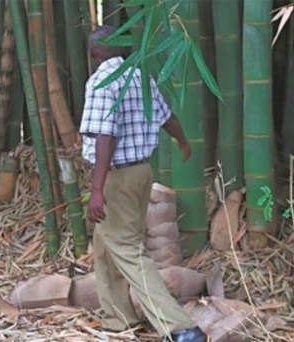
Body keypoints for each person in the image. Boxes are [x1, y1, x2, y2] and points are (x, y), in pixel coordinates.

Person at [80, 25, 207, 342]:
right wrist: (183, 141)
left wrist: (97, 190)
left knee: (127, 249)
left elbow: (105, 135)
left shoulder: (101, 82)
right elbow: (166, 116)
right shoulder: (139, 76)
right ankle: (118, 317)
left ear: (93, 53)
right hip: (141, 174)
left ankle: (181, 327)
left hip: (116, 176)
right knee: (104, 246)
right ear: (120, 48)